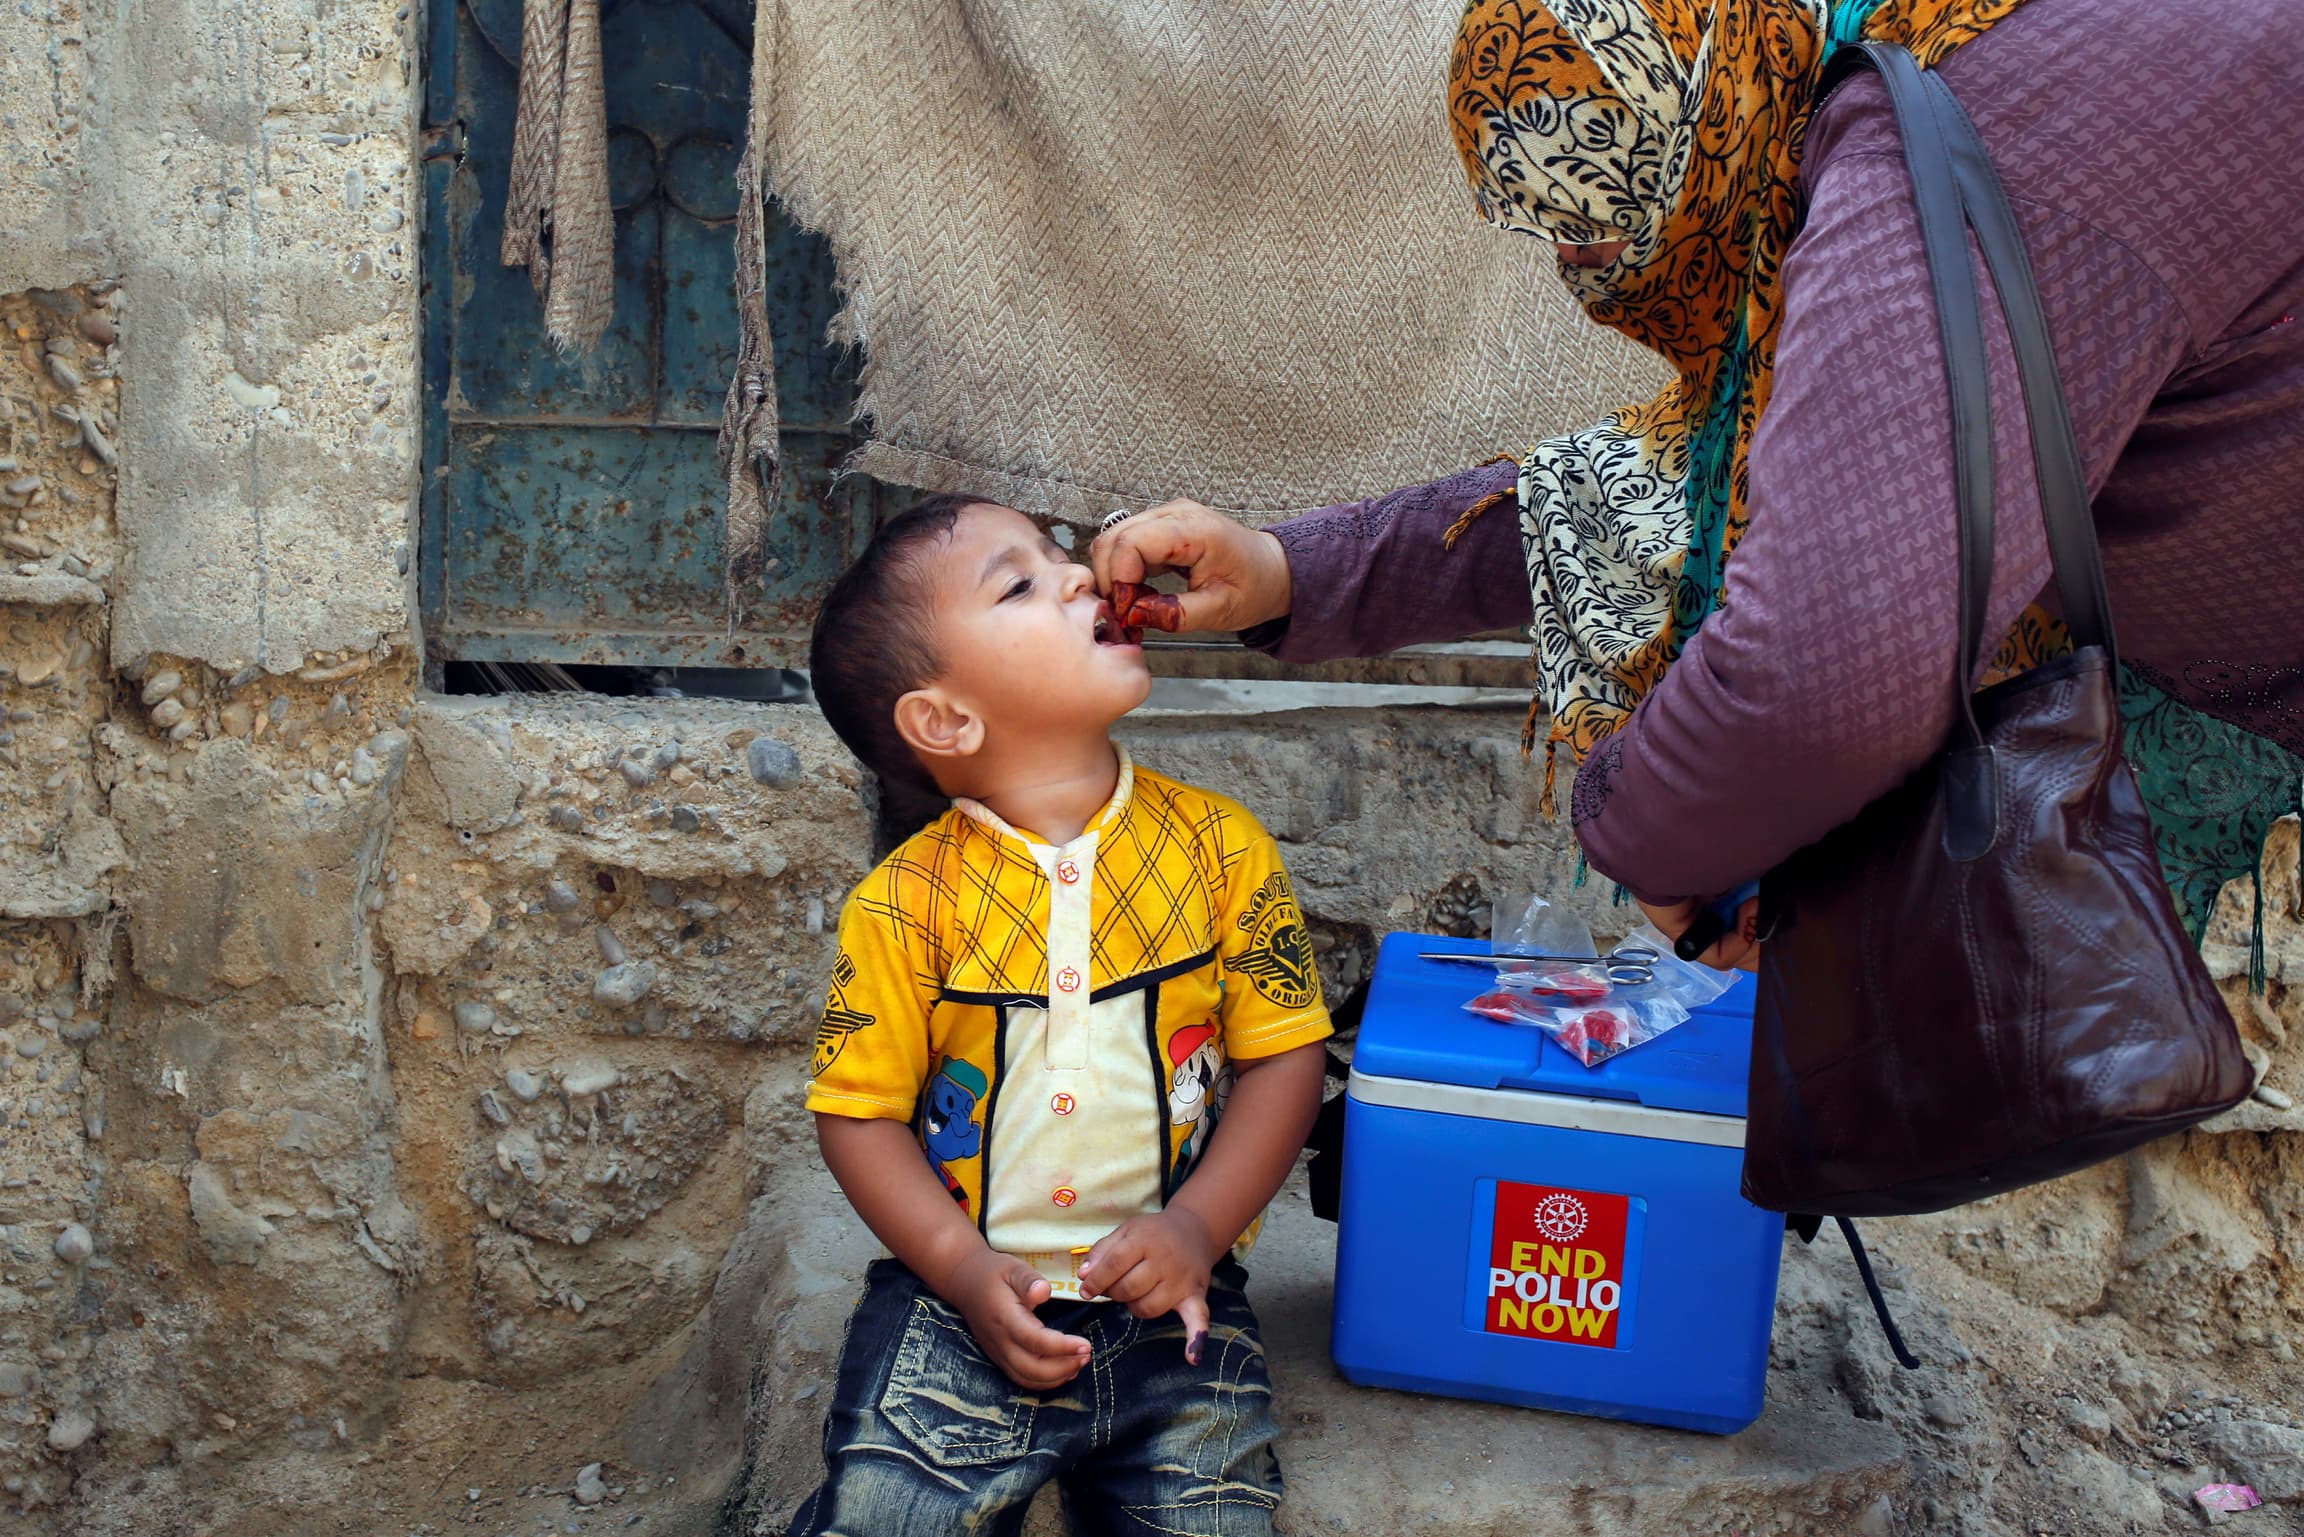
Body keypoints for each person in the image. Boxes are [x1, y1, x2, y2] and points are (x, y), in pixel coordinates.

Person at [1091, 0, 2304, 967]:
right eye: (1551, 234)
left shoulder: (1942, 141)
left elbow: (1822, 669)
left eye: (1611, 225)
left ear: (1703, 114)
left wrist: (1649, 830)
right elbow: (1654, 489)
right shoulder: (1887, 98)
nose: (1593, 276)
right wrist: (1289, 571)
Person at [789, 494, 1333, 1536]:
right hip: (964, 1310)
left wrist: (1196, 1227)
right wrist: (958, 1268)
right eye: (1021, 582)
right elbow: (854, 1114)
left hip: (1176, 1307)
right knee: (883, 1517)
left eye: (1058, 556)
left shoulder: (1222, 852)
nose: (1080, 574)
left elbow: (1285, 1060)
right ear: (944, 719)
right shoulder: (904, 906)